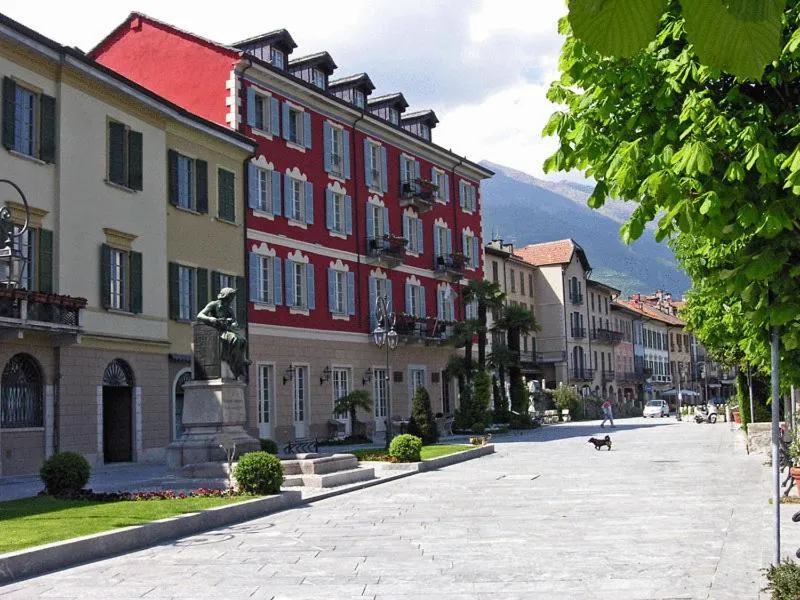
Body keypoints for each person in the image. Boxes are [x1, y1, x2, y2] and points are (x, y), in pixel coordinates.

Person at [196, 287, 249, 380]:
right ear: (226, 296)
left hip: (226, 329)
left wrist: (232, 323)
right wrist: (210, 318)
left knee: (243, 340)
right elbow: (199, 315)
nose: (232, 299)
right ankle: (229, 359)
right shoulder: (213, 304)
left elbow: (234, 322)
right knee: (234, 339)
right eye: (231, 297)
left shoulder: (229, 309)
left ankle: (240, 361)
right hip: (215, 329)